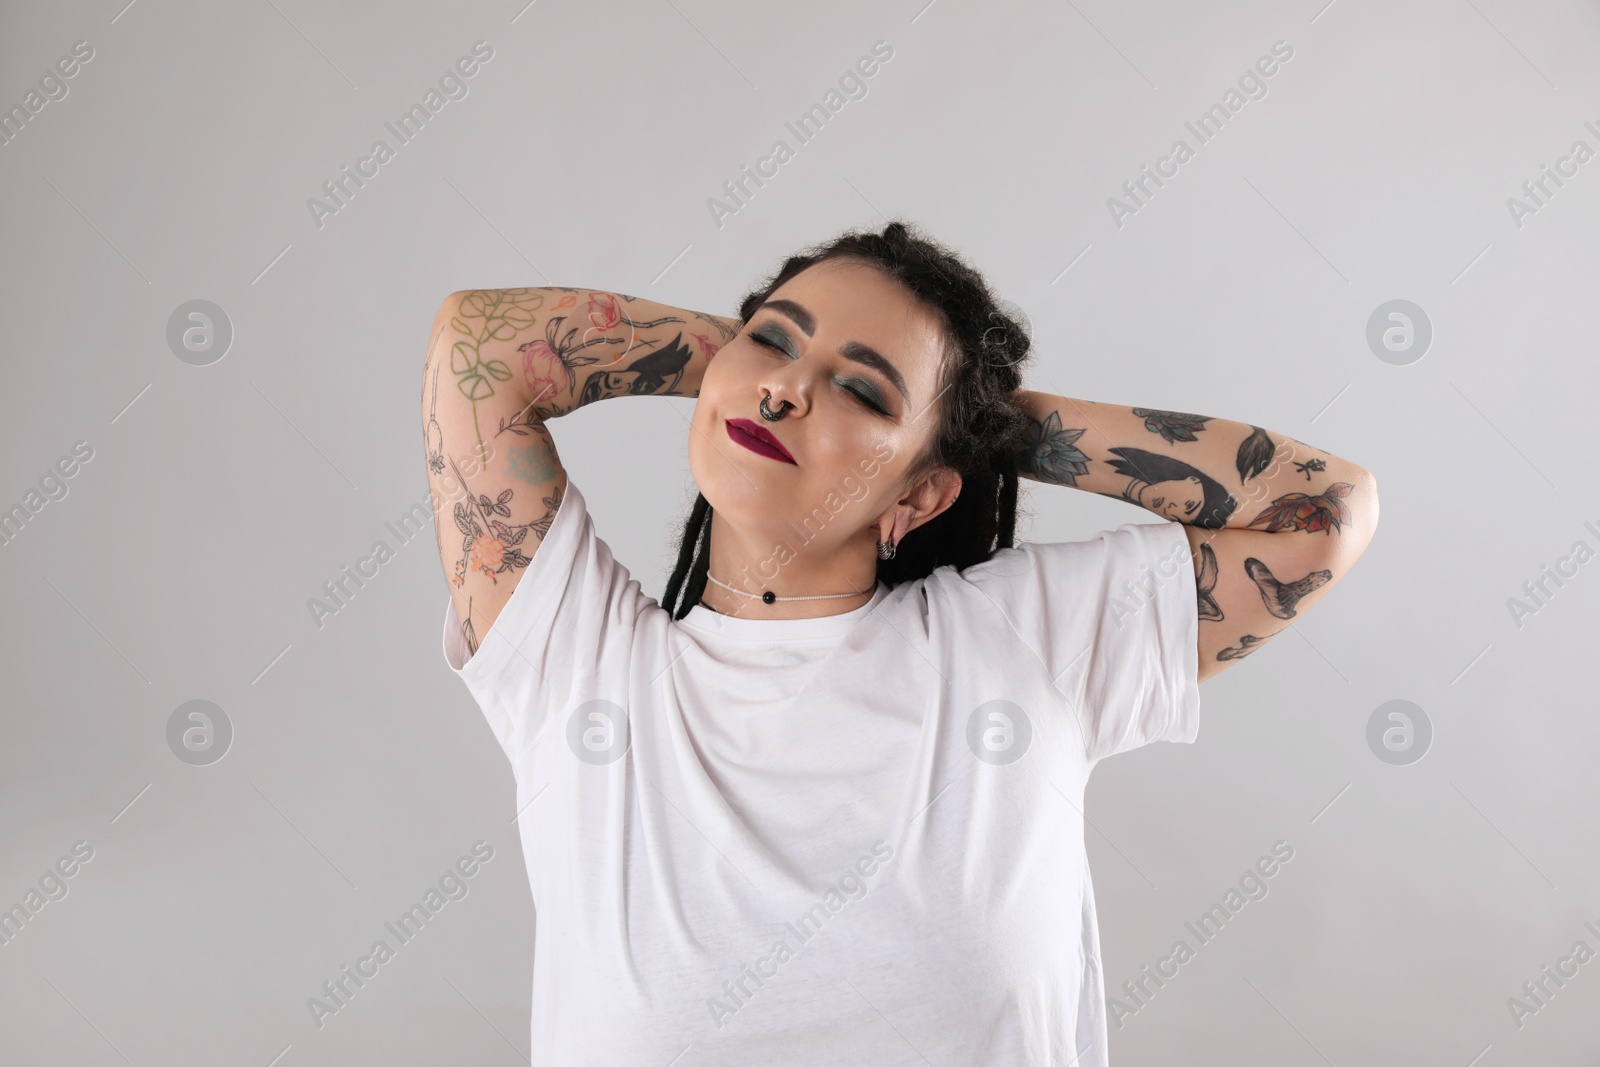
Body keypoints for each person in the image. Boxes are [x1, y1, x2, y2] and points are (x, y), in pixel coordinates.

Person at [420, 220, 1379, 1065]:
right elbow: (481, 343)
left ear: (921, 494)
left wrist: (976, 423)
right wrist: (756, 367)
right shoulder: (575, 663)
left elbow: (1319, 510)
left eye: (862, 392)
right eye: (772, 342)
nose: (787, 389)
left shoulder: (1024, 641)